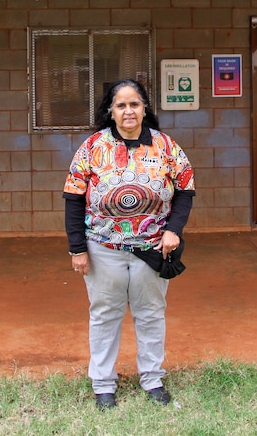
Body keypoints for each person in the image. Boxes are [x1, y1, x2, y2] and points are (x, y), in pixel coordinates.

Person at [62, 79, 195, 411]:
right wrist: (77, 248)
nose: (128, 111)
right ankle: (104, 385)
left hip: (152, 250)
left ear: (145, 107)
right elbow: (73, 199)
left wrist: (174, 230)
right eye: (121, 105)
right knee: (105, 315)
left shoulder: (165, 146)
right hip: (103, 248)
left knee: (150, 315)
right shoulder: (93, 146)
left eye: (134, 104)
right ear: (111, 110)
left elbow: (185, 190)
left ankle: (152, 379)